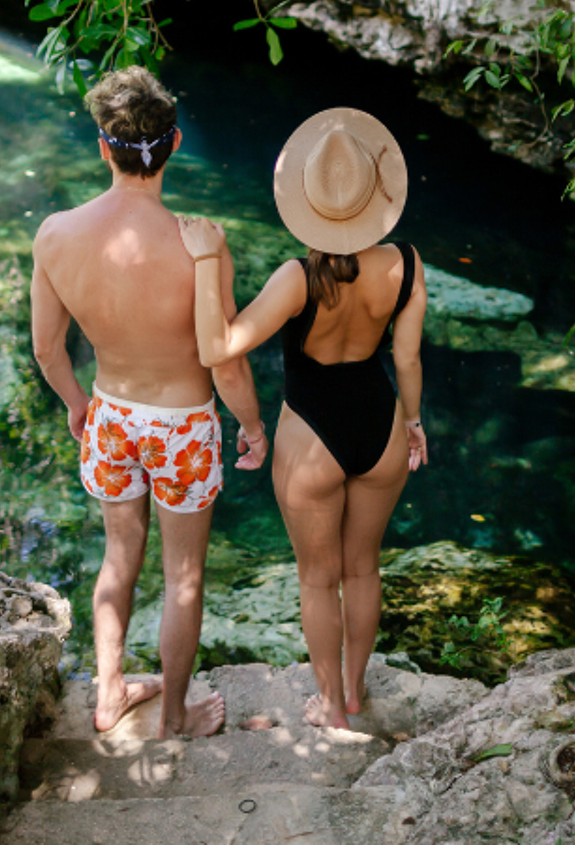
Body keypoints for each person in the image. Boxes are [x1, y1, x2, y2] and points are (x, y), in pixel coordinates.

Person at [30, 66, 265, 739]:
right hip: (184, 425)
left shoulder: (55, 234)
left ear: (103, 147)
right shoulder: (201, 242)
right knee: (184, 573)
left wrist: (78, 402)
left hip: (111, 412)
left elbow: (48, 350)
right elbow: (223, 359)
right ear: (176, 143)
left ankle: (108, 694)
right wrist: (250, 425)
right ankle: (172, 715)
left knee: (118, 553)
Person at [177, 107, 428, 729]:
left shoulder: (298, 277)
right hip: (382, 429)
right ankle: (353, 694)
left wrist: (208, 261)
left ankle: (330, 713)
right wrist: (414, 422)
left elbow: (219, 350)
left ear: (309, 206)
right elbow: (407, 356)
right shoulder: (407, 263)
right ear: (376, 199)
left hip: (310, 439)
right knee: (363, 567)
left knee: (318, 581)